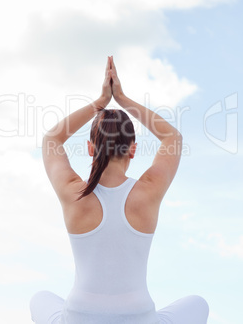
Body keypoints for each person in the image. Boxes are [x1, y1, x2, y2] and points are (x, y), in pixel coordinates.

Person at [30, 56, 209, 324]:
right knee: (199, 304)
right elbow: (172, 138)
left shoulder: (73, 192)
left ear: (90, 148)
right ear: (133, 150)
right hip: (139, 317)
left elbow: (51, 139)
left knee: (39, 298)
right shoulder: (149, 191)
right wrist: (122, 99)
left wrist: (100, 103)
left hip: (78, 317)